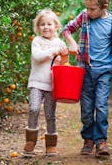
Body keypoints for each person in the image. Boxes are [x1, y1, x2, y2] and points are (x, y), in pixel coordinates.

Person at [62, 0, 112, 157]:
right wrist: (72, 43)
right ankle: (88, 139)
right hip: (86, 71)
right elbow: (66, 29)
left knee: (101, 107)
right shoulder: (84, 16)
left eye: (92, 9)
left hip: (104, 71)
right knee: (87, 108)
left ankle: (101, 141)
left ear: (104, 7)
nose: (88, 11)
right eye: (87, 7)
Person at [23, 9, 68, 157]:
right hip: (36, 83)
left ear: (56, 26)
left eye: (49, 24)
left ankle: (51, 144)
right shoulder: (37, 41)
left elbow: (63, 64)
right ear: (38, 27)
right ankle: (30, 141)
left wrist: (63, 57)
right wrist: (53, 52)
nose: (46, 27)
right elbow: (37, 57)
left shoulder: (59, 43)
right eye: (42, 24)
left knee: (50, 115)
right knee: (34, 109)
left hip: (52, 86)